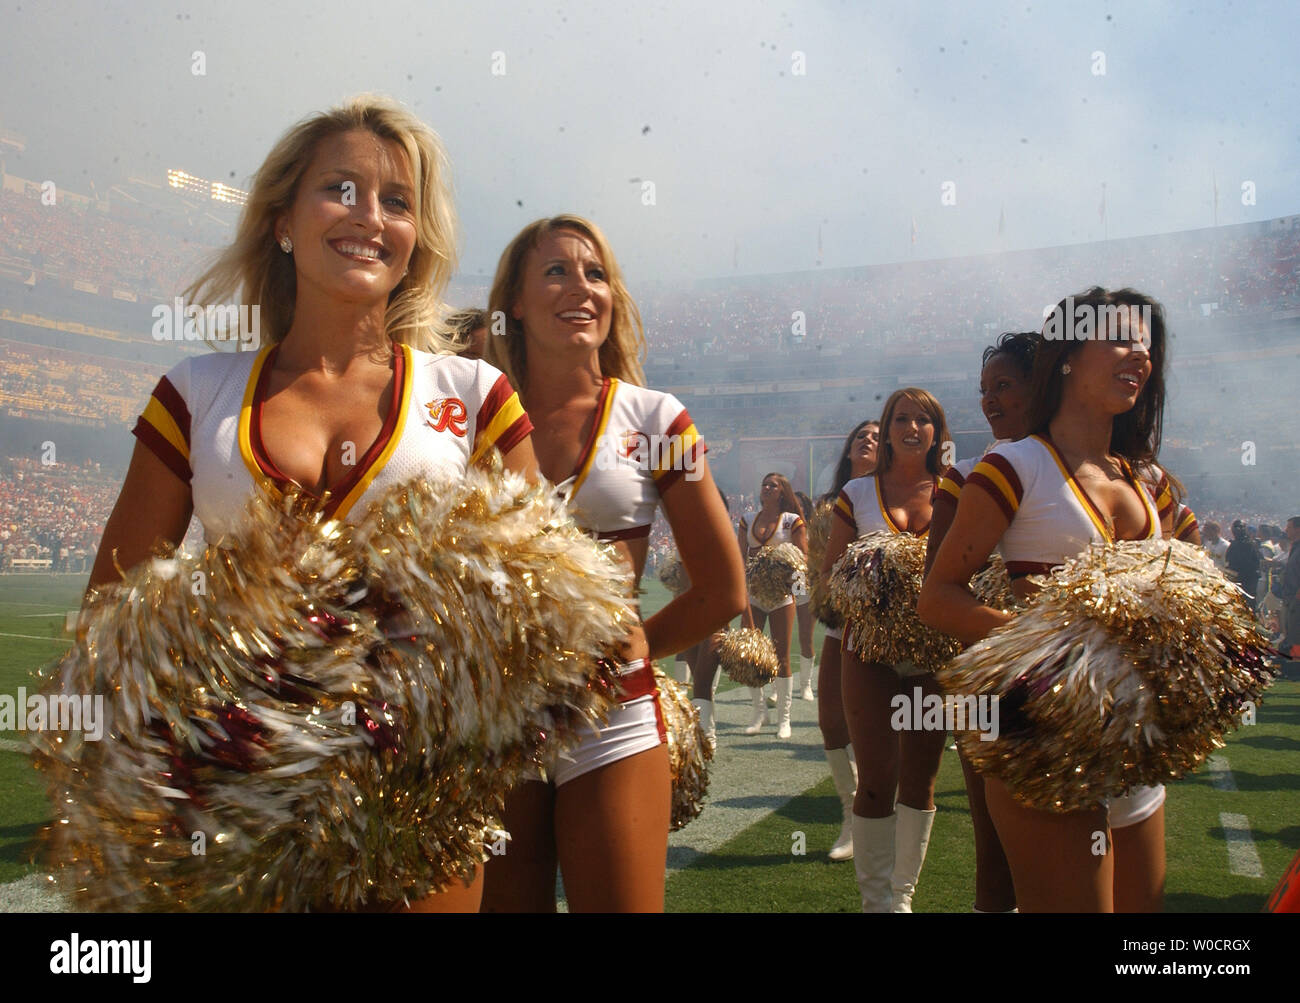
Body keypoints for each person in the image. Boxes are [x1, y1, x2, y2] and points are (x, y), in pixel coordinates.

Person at [93, 95, 537, 912]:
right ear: (283, 221)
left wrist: (443, 701)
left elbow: (542, 611)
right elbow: (112, 611)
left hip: (419, 790)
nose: (369, 216)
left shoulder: (474, 397)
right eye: (341, 188)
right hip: (246, 799)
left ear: (415, 242)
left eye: (397, 201)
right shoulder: (197, 393)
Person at [479, 215, 745, 912]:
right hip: (491, 713)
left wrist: (629, 654)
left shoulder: (658, 419)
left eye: (596, 273)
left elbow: (723, 588)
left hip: (612, 713)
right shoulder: (472, 412)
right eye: (557, 271)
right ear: (513, 300)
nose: (582, 288)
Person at [919, 287, 1180, 912]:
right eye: (1119, 338)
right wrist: (1048, 647)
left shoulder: (1148, 481)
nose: (1138, 354)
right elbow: (938, 597)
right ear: (1066, 356)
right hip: (1042, 732)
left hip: (1132, 738)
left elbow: (1188, 587)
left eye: (1145, 344)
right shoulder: (1015, 465)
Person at [923, 331, 1039, 913]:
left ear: (1041, 385)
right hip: (988, 676)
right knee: (994, 844)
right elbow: (937, 585)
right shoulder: (967, 473)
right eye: (984, 390)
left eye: (1004, 386)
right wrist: (1033, 636)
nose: (990, 400)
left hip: (1089, 686)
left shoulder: (1090, 471)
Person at [823, 389, 950, 911]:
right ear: (888, 426)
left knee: (919, 779)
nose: (912, 427)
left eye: (924, 419)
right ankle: (876, 903)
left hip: (932, 655)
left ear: (936, 431)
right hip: (868, 651)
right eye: (901, 418)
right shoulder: (856, 491)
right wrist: (878, 571)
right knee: (876, 779)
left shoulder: (954, 491)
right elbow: (833, 578)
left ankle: (902, 898)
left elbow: (969, 569)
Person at [813, 418, 878, 861]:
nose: (868, 441)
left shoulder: (900, 492)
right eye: (860, 436)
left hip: (890, 627)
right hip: (841, 623)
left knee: (891, 726)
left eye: (877, 437)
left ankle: (885, 818)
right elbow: (821, 566)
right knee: (831, 720)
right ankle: (851, 818)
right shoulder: (828, 504)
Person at [738, 472, 809, 738]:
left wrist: (799, 593)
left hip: (781, 597)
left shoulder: (792, 521)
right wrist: (741, 594)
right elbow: (739, 559)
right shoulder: (747, 519)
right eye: (764, 484)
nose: (767, 488)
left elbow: (802, 558)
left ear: (782, 492)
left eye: (773, 485)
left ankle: (784, 719)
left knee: (781, 657)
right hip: (754, 595)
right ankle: (759, 713)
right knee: (752, 655)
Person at [793, 489, 818, 701]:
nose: (796, 507)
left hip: (804, 582)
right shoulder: (781, 524)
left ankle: (806, 685)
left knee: (805, 637)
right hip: (782, 583)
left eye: (799, 504)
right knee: (777, 637)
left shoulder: (813, 528)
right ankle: (775, 687)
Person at [1226, 520, 1263, 615]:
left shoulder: (1250, 544)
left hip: (1248, 580)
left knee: (1248, 607)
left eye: (1240, 528)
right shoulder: (1234, 545)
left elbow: (1256, 563)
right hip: (1237, 580)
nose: (1238, 530)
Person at [1281, 517, 1300, 658]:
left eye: (1289, 527)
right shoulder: (1295, 547)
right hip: (1290, 596)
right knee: (1291, 630)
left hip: (1297, 596)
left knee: (1296, 631)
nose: (1286, 530)